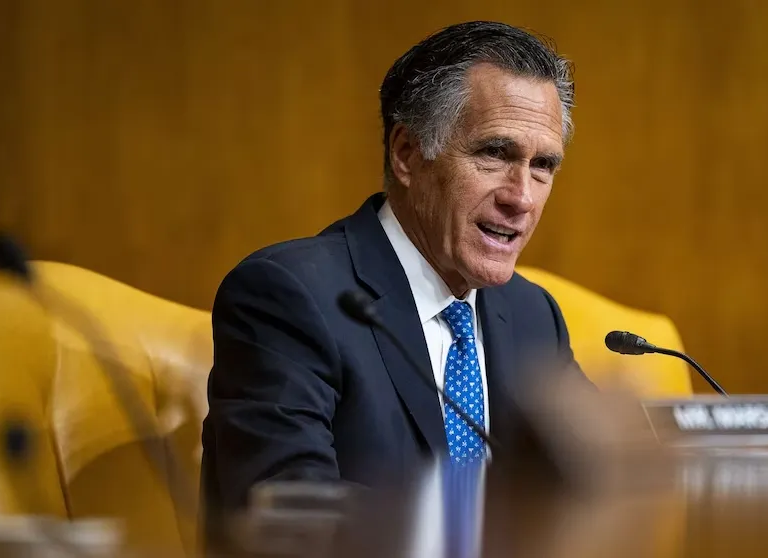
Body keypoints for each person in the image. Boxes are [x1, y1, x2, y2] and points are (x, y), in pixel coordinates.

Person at [200, 21, 581, 519]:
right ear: (407, 154)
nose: (522, 197)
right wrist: (472, 522)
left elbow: (587, 485)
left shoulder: (533, 315)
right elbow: (290, 510)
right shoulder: (289, 296)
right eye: (494, 153)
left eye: (543, 165)